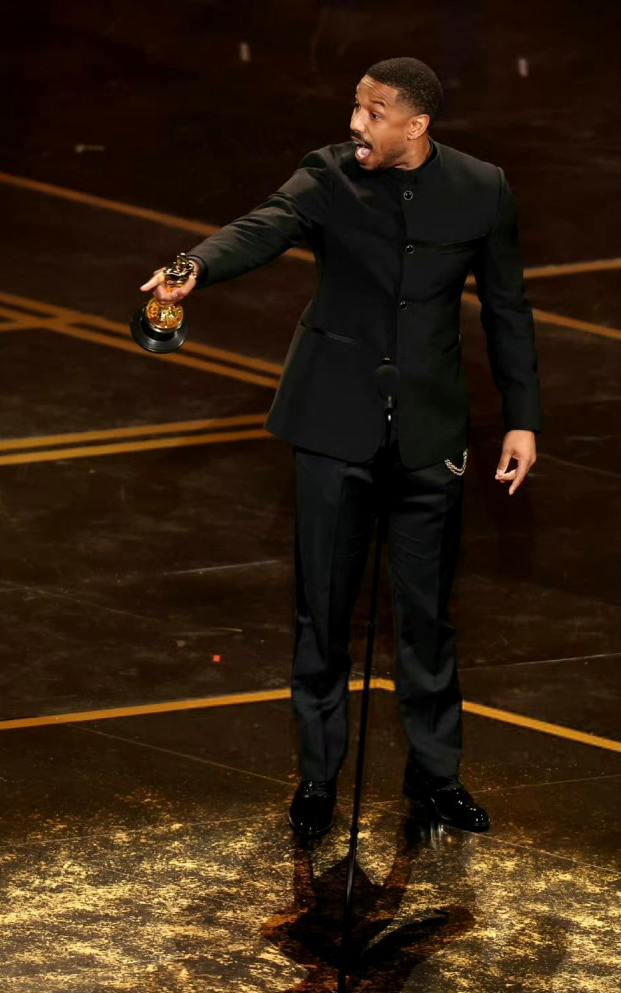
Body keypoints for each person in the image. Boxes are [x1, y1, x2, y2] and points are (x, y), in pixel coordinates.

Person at [140, 57, 540, 839]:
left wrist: (522, 419)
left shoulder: (482, 188)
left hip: (428, 432)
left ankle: (436, 775)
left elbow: (507, 307)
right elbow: (261, 226)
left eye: (375, 112)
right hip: (332, 426)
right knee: (322, 614)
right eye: (357, 107)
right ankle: (318, 778)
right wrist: (196, 267)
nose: (356, 123)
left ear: (417, 125)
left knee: (427, 617)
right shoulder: (327, 175)